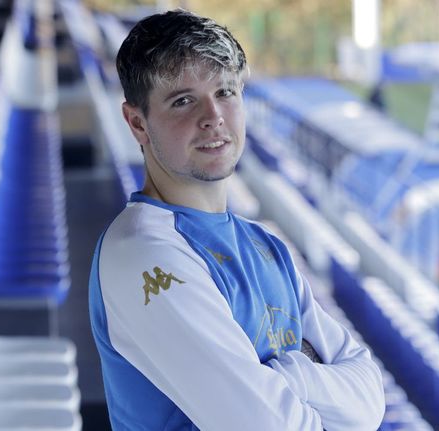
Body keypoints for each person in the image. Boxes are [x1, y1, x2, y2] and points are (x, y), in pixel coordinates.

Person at [89, 9, 385, 430]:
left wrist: (283, 379)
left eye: (226, 91)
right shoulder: (142, 253)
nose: (213, 117)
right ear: (137, 123)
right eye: (183, 100)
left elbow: (369, 398)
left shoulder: (264, 245)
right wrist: (306, 370)